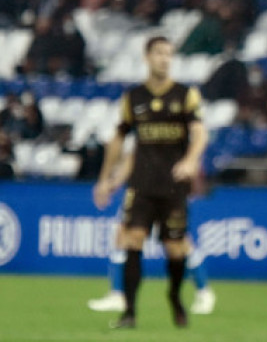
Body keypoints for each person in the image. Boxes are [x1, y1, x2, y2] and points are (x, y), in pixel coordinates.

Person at [92, 36, 210, 329]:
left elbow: (200, 133)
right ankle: (130, 312)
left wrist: (191, 160)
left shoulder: (185, 95)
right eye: (159, 53)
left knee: (175, 248)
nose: (165, 59)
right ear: (147, 57)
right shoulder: (133, 99)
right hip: (141, 184)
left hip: (173, 186)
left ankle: (174, 295)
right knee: (132, 240)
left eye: (169, 54)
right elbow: (119, 139)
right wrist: (105, 179)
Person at [88, 152, 217, 316]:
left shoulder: (173, 135)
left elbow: (190, 157)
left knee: (179, 243)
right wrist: (115, 183)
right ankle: (117, 294)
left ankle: (204, 291)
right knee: (123, 236)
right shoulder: (144, 136)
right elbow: (132, 158)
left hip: (166, 192)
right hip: (141, 192)